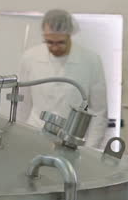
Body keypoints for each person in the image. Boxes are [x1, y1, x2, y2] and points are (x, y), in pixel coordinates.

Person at [16, 9, 108, 149]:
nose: (54, 47)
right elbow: (23, 105)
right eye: (49, 42)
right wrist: (20, 139)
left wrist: (90, 149)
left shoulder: (90, 61)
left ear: (69, 35)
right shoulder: (30, 58)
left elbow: (98, 111)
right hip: (35, 135)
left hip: (71, 139)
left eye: (60, 42)